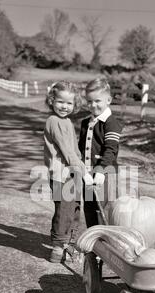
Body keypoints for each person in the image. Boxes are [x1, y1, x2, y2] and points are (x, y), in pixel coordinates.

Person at [44, 81, 93, 263]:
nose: (64, 106)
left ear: (75, 104)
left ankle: (69, 243)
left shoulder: (67, 121)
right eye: (60, 102)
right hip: (61, 175)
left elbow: (75, 150)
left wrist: (82, 168)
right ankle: (58, 246)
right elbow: (66, 150)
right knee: (64, 210)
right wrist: (82, 170)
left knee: (74, 208)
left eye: (69, 103)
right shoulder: (54, 121)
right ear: (52, 100)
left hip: (72, 173)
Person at [79, 78, 122, 227]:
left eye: (98, 101)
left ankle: (104, 241)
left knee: (102, 209)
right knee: (90, 207)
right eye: (89, 101)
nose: (93, 105)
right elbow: (81, 148)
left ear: (108, 100)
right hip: (88, 174)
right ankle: (93, 241)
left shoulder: (111, 123)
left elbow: (111, 149)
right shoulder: (85, 123)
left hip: (104, 173)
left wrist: (101, 171)